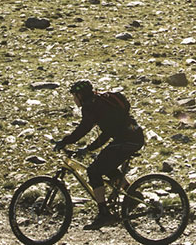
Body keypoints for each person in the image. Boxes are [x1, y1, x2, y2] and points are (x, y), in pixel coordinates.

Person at [54, 79, 146, 230]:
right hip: (132, 137)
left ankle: (104, 214)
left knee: (93, 171)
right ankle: (132, 196)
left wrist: (65, 141)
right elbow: (108, 132)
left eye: (75, 96)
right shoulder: (100, 101)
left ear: (81, 95)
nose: (74, 99)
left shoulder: (91, 106)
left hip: (126, 140)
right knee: (106, 166)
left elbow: (84, 128)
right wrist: (89, 148)